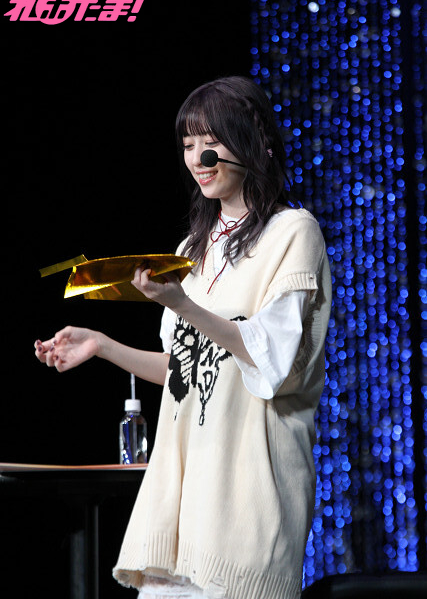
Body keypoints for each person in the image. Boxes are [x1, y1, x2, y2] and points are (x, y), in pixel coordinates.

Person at [35, 76, 332, 599]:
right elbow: (183, 369)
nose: (198, 158)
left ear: (254, 141)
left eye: (210, 142)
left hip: (247, 490)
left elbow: (272, 358)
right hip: (184, 490)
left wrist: (183, 305)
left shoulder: (293, 231)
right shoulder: (192, 250)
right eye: (189, 145)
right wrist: (102, 345)